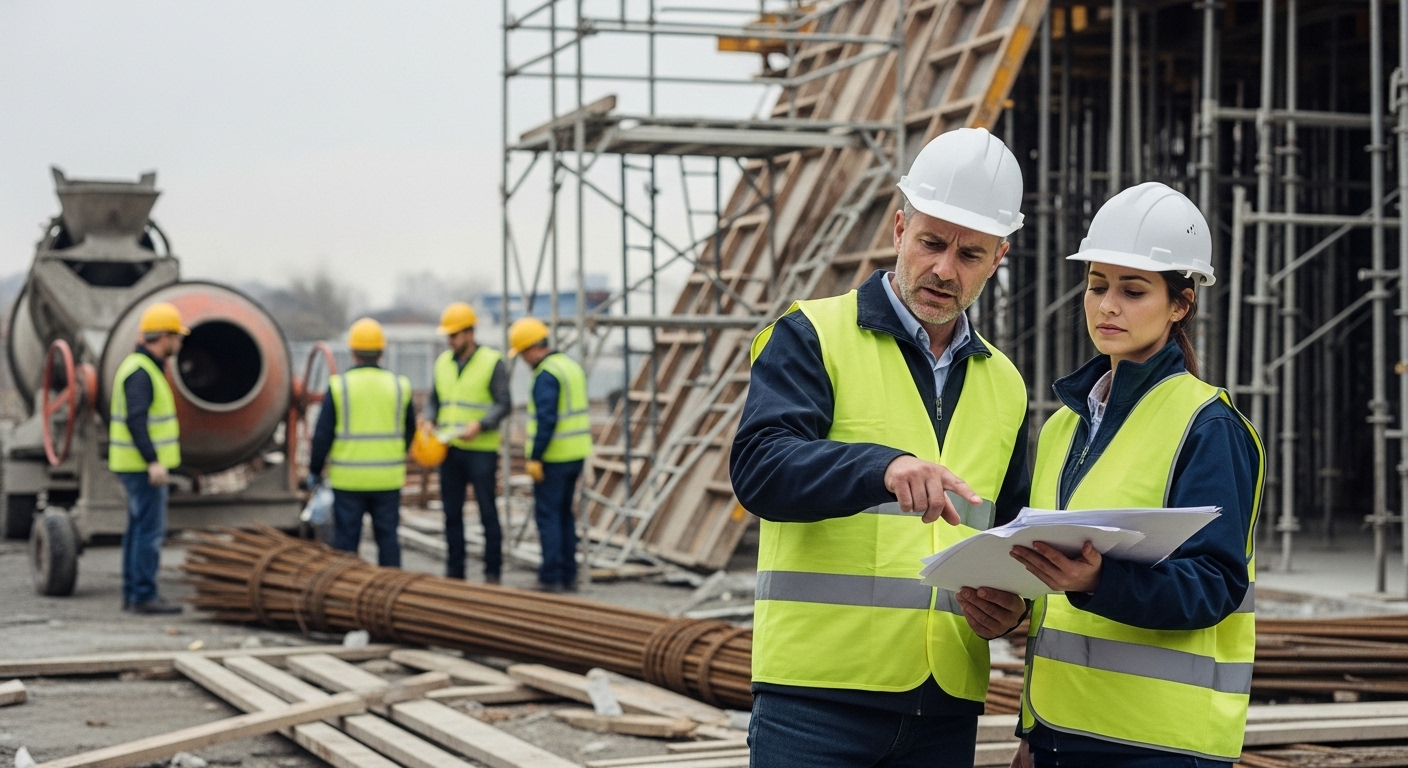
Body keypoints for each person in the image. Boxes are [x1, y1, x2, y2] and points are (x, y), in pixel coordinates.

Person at [730, 127, 1033, 768]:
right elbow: (760, 468)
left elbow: (1006, 530)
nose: (944, 270)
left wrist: (1011, 612)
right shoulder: (811, 334)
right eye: (930, 243)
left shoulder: (1004, 383)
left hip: (944, 701)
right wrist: (883, 466)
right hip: (817, 700)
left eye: (970, 254)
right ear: (899, 228)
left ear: (999, 259)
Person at [1010, 182, 1265, 767]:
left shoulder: (1207, 425)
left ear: (1181, 303)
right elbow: (1051, 606)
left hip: (1158, 746)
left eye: (1133, 290)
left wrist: (1099, 582)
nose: (1107, 306)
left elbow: (1216, 585)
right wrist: (1032, 729)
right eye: (1097, 286)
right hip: (1060, 733)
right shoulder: (1061, 431)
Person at [308, 318, 416, 567]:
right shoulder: (399, 385)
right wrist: (394, 453)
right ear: (381, 352)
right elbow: (410, 429)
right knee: (388, 539)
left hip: (349, 480)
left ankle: (346, 597)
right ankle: (391, 594)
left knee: (346, 544)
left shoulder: (340, 387)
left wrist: (314, 470)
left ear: (353, 351)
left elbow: (322, 435)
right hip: (387, 478)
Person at [421, 302, 511, 583]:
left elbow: (504, 404)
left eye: (455, 335)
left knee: (487, 512)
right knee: (451, 512)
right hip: (450, 449)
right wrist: (428, 418)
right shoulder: (442, 364)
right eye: (448, 336)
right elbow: (435, 400)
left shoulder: (491, 361)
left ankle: (492, 572)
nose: (450, 341)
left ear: (470, 333)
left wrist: (481, 425)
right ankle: (454, 571)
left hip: (481, 450)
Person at [110, 302, 189, 615]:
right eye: (177, 337)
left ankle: (134, 594)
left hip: (134, 465)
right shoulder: (141, 373)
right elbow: (136, 419)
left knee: (138, 529)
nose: (180, 343)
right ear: (164, 337)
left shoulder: (141, 368)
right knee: (149, 532)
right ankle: (143, 595)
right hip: (142, 467)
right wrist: (153, 461)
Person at [506, 317, 591, 592]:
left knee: (549, 516)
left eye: (521, 354)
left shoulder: (546, 374)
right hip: (576, 454)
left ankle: (551, 576)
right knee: (565, 514)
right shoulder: (570, 366)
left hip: (554, 456)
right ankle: (569, 574)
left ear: (531, 349)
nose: (522, 360)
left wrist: (536, 456)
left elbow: (546, 418)